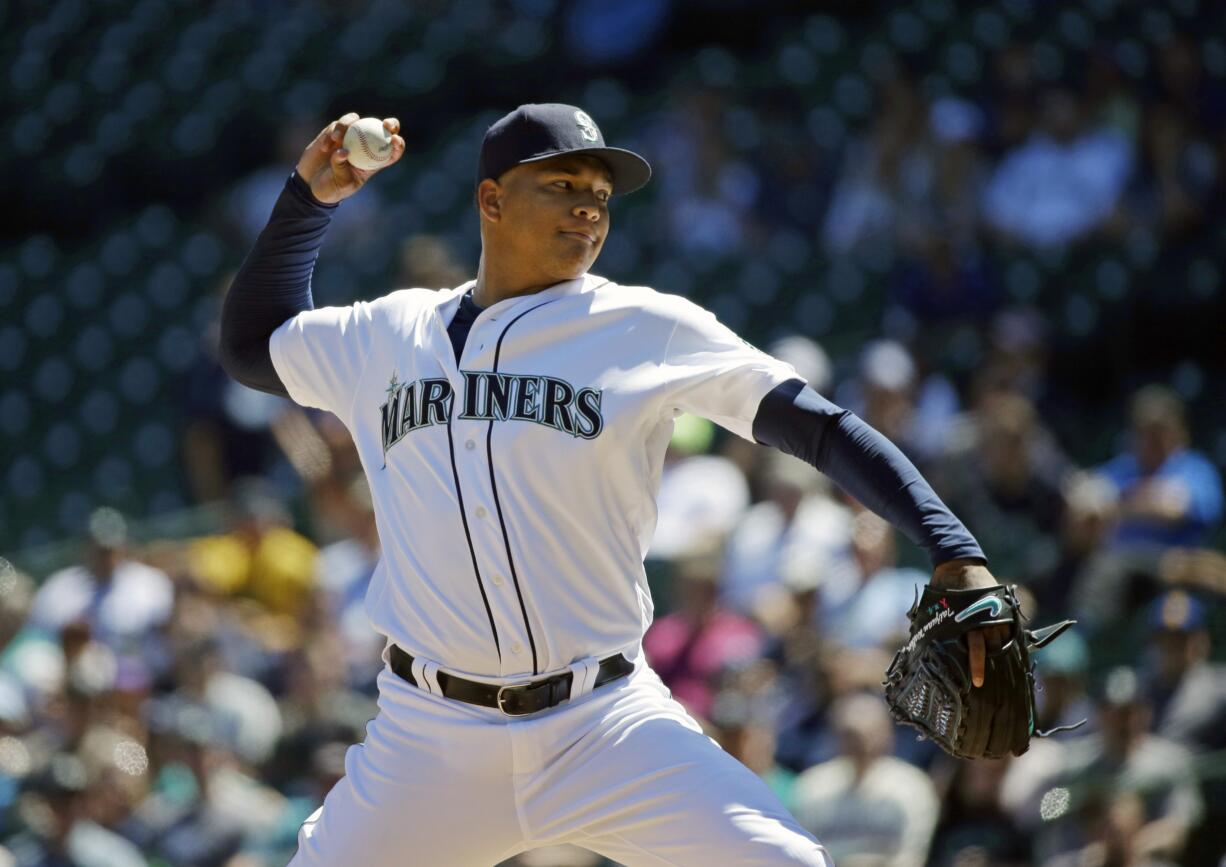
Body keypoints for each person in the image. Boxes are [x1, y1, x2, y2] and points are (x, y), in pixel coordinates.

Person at [219, 104, 1004, 866]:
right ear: (491, 200)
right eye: (562, 186)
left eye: (599, 196)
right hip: (429, 738)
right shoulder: (389, 334)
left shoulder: (643, 326)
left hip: (604, 721)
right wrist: (305, 201)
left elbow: (816, 424)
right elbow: (253, 345)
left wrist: (953, 545)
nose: (588, 210)